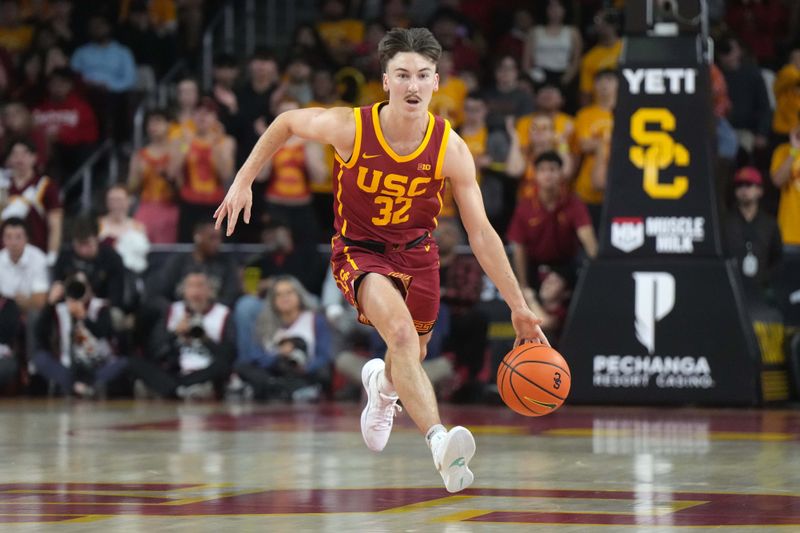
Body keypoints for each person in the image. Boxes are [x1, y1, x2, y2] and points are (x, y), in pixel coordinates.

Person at [215, 27, 548, 494]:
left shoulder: (450, 149)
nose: (413, 85)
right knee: (399, 335)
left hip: (418, 254)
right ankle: (439, 442)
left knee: (409, 355)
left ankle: (382, 388)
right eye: (403, 74)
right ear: (386, 80)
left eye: (423, 75)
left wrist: (517, 304)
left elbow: (481, 233)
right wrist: (243, 180)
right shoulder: (352, 127)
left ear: (437, 83)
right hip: (361, 251)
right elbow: (287, 122)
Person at [724, 166, 783, 302]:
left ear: (760, 191)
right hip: (731, 289)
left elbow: (778, 259)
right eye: (739, 185)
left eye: (749, 185)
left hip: (761, 292)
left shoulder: (770, 224)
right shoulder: (725, 222)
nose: (744, 189)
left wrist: (765, 278)